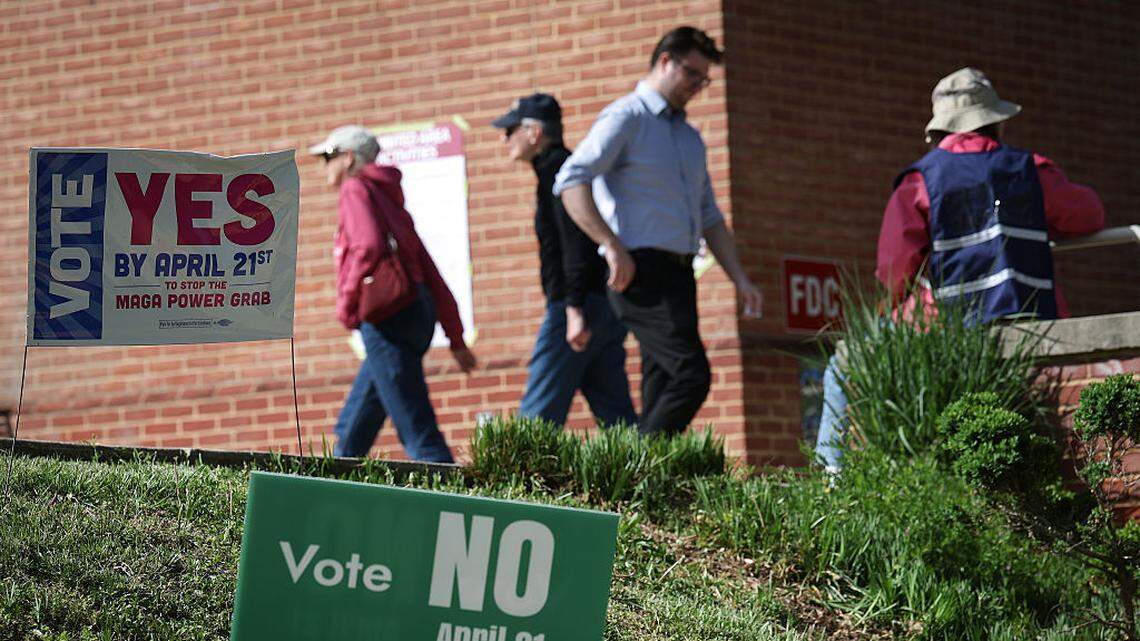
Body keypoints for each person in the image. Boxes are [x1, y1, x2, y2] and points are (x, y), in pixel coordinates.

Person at [814, 67, 1106, 471]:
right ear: (997, 124)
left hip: (940, 328)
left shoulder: (919, 181)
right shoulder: (1030, 170)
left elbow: (896, 270)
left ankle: (833, 475)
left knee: (841, 366)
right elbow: (1089, 214)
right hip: (1033, 322)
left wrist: (883, 312)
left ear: (939, 133)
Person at [553, 26, 764, 437]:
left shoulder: (689, 138)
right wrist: (610, 245)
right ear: (665, 61)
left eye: (704, 80)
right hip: (640, 271)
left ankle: (651, 486)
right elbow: (571, 179)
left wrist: (740, 278)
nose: (697, 87)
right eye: (692, 75)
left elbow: (709, 215)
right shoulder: (626, 118)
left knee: (663, 383)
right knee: (692, 375)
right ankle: (637, 465)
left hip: (680, 274)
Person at [311, 125, 477, 462]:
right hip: (416, 312)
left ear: (349, 158)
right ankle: (330, 482)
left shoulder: (355, 188)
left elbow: (368, 247)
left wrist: (346, 305)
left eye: (328, 157)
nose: (323, 166)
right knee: (354, 425)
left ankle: (452, 496)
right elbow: (429, 270)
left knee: (417, 429)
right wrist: (455, 337)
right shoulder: (388, 199)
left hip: (388, 319)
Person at [492, 94, 637, 427]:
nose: (504, 138)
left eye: (510, 130)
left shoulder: (559, 174)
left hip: (576, 308)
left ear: (534, 132)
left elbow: (574, 246)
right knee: (620, 422)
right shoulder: (567, 169)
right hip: (603, 305)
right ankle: (651, 477)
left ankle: (521, 480)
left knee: (536, 422)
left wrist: (573, 309)